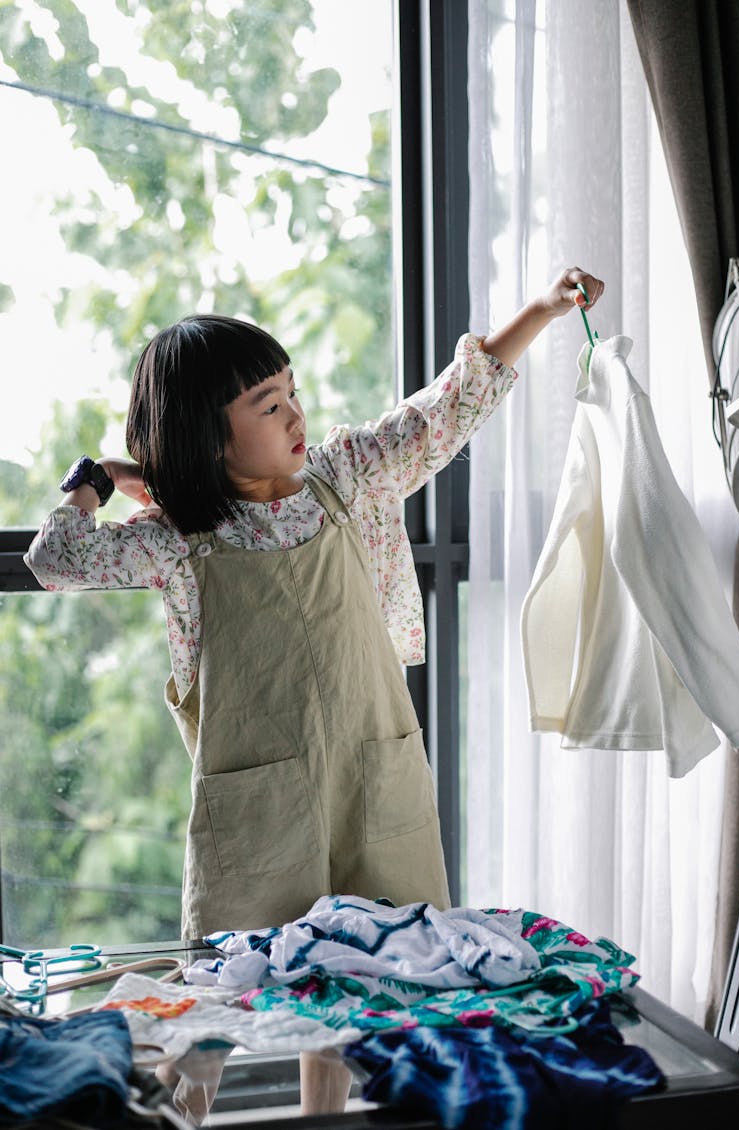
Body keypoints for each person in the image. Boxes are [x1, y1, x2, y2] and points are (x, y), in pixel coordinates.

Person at [25, 265, 604, 1114]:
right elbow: (56, 559)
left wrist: (543, 312)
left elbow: (444, 409)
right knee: (218, 999)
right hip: (257, 809)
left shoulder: (345, 481)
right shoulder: (180, 540)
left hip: (374, 778)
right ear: (205, 434)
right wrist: (101, 475)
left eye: (291, 390)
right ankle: (177, 1116)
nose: (295, 413)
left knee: (353, 989)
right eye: (268, 403)